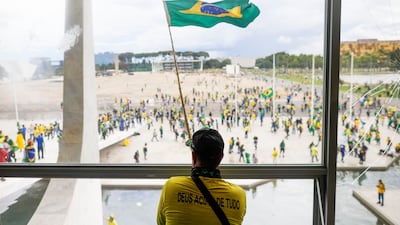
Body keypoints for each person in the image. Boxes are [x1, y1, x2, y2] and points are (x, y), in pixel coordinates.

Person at [157, 128, 246, 225]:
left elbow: (160, 223)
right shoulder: (239, 196)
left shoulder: (172, 187)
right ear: (221, 158)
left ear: (194, 157)